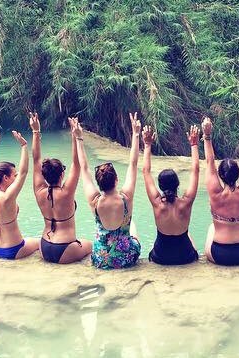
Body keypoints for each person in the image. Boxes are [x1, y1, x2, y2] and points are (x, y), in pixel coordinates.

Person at [73, 114, 142, 269]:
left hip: (100, 258)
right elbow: (133, 163)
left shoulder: (94, 201)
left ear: (99, 184)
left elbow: (84, 168)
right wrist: (136, 134)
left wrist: (79, 138)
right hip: (126, 257)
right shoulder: (126, 198)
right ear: (116, 180)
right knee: (133, 226)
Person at [30, 112, 92, 264]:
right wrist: (75, 135)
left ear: (44, 175)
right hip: (65, 248)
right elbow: (76, 163)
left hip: (44, 245)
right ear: (62, 174)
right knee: (90, 245)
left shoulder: (39, 191)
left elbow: (36, 158)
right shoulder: (66, 193)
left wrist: (35, 131)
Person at [203, 113, 239, 266]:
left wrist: (206, 135)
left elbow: (209, 162)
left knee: (211, 228)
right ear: (238, 174)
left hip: (222, 254)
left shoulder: (216, 194)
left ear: (219, 175)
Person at [143, 124, 200, 265]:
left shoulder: (157, 203)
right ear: (177, 184)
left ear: (160, 186)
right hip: (185, 256)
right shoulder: (186, 202)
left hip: (160, 257)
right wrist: (194, 144)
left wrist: (147, 144)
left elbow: (145, 171)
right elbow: (196, 171)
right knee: (188, 235)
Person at [0, 130, 39, 259]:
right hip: (14, 250)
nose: (17, 176)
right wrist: (24, 146)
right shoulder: (7, 197)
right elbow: (23, 172)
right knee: (40, 243)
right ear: (6, 178)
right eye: (14, 175)